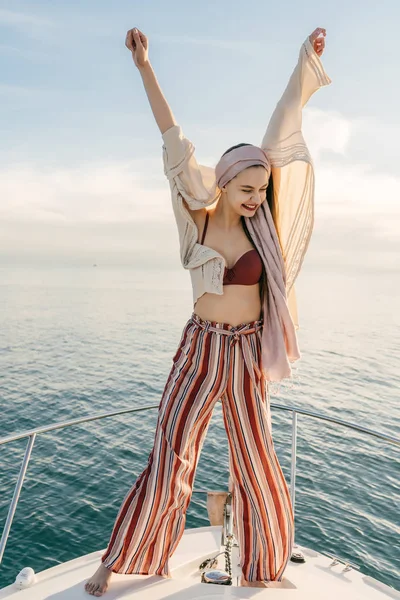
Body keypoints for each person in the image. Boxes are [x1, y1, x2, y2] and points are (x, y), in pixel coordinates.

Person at [85, 25, 331, 597]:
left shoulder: (261, 228)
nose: (255, 198)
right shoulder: (196, 217)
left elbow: (281, 118)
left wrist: (303, 63)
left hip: (245, 351)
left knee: (257, 464)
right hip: (199, 346)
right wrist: (145, 66)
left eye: (261, 190)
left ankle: (264, 569)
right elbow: (170, 133)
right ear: (223, 182)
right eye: (246, 187)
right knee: (169, 457)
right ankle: (121, 560)